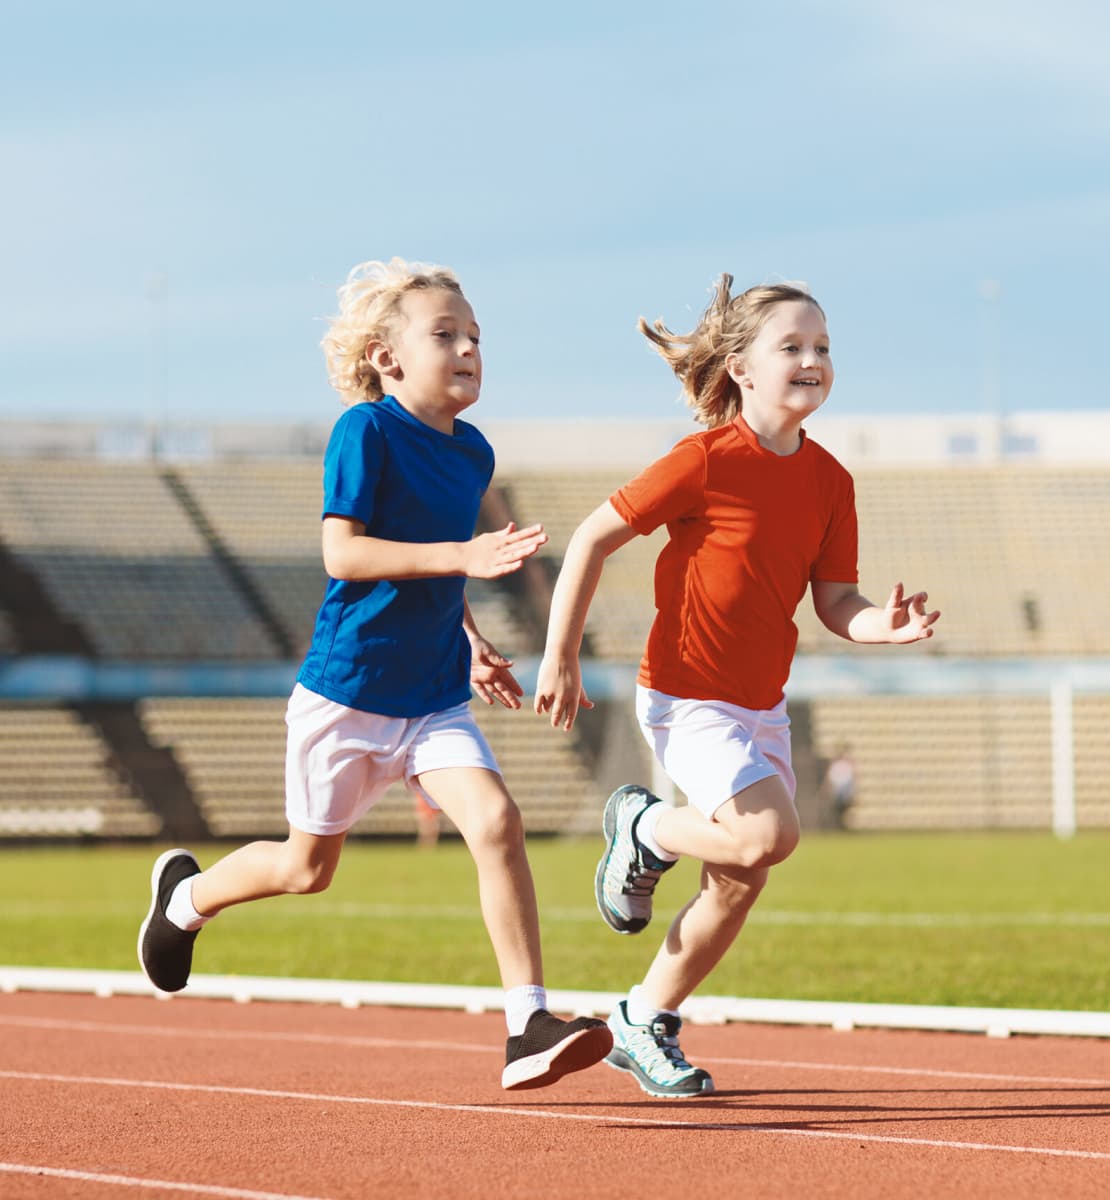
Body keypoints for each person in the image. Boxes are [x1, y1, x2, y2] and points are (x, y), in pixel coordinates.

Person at [138, 257, 612, 1090]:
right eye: (445, 335)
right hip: (347, 693)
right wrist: (463, 555)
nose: (468, 348)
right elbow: (344, 551)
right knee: (305, 870)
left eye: (476, 337)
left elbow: (437, 571)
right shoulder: (366, 430)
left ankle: (526, 1024)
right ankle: (183, 902)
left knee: (497, 822)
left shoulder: (473, 455)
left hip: (432, 697)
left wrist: (468, 640)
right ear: (388, 358)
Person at [535, 273, 940, 1098]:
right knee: (765, 839)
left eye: (823, 347)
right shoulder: (705, 461)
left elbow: (835, 601)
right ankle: (647, 830)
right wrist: (560, 654)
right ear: (742, 369)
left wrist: (881, 626)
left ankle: (641, 1020)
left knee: (741, 879)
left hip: (761, 704)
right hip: (685, 694)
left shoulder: (832, 482)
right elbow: (591, 537)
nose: (813, 360)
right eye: (791, 346)